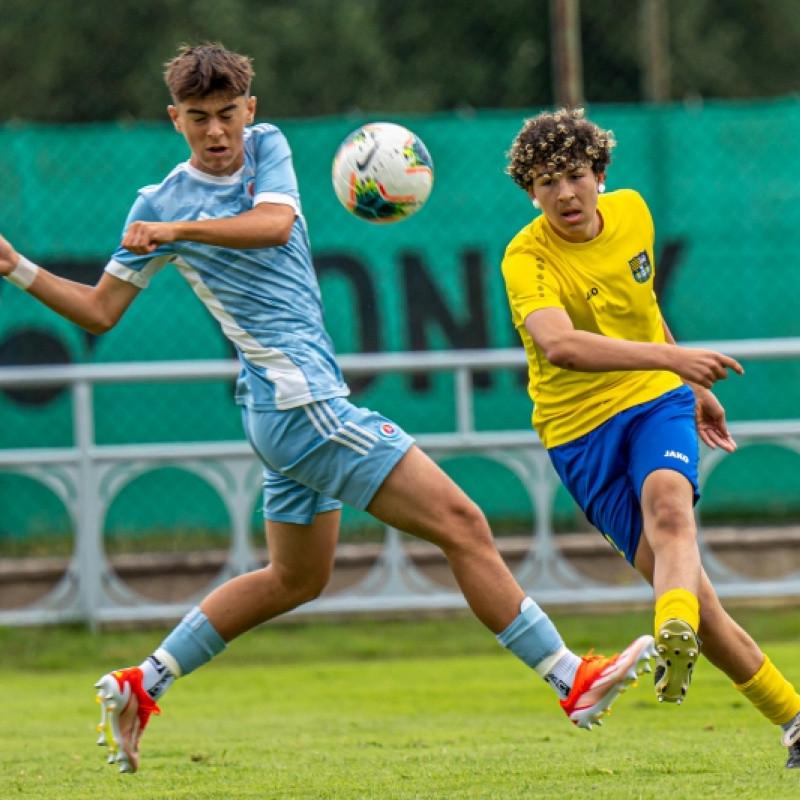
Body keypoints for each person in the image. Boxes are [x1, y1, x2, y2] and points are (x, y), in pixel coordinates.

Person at [0, 46, 656, 774]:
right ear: (174, 120)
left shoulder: (264, 153)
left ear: (249, 110)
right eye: (198, 119)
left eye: (227, 116)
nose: (216, 133)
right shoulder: (157, 203)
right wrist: (16, 267)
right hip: (298, 404)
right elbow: (98, 311)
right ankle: (570, 679)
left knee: (296, 580)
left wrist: (178, 235)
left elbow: (274, 225)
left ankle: (139, 683)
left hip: (287, 411)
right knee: (464, 523)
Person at [501, 106, 800, 769]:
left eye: (575, 175)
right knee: (705, 607)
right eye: (547, 183)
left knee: (670, 507)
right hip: (579, 437)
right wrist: (675, 362)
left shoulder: (634, 212)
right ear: (530, 191)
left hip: (652, 401)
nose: (565, 194)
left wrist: (685, 384)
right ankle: (794, 718)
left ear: (600, 175)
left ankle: (672, 629)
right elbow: (560, 346)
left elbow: (644, 306)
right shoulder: (526, 258)